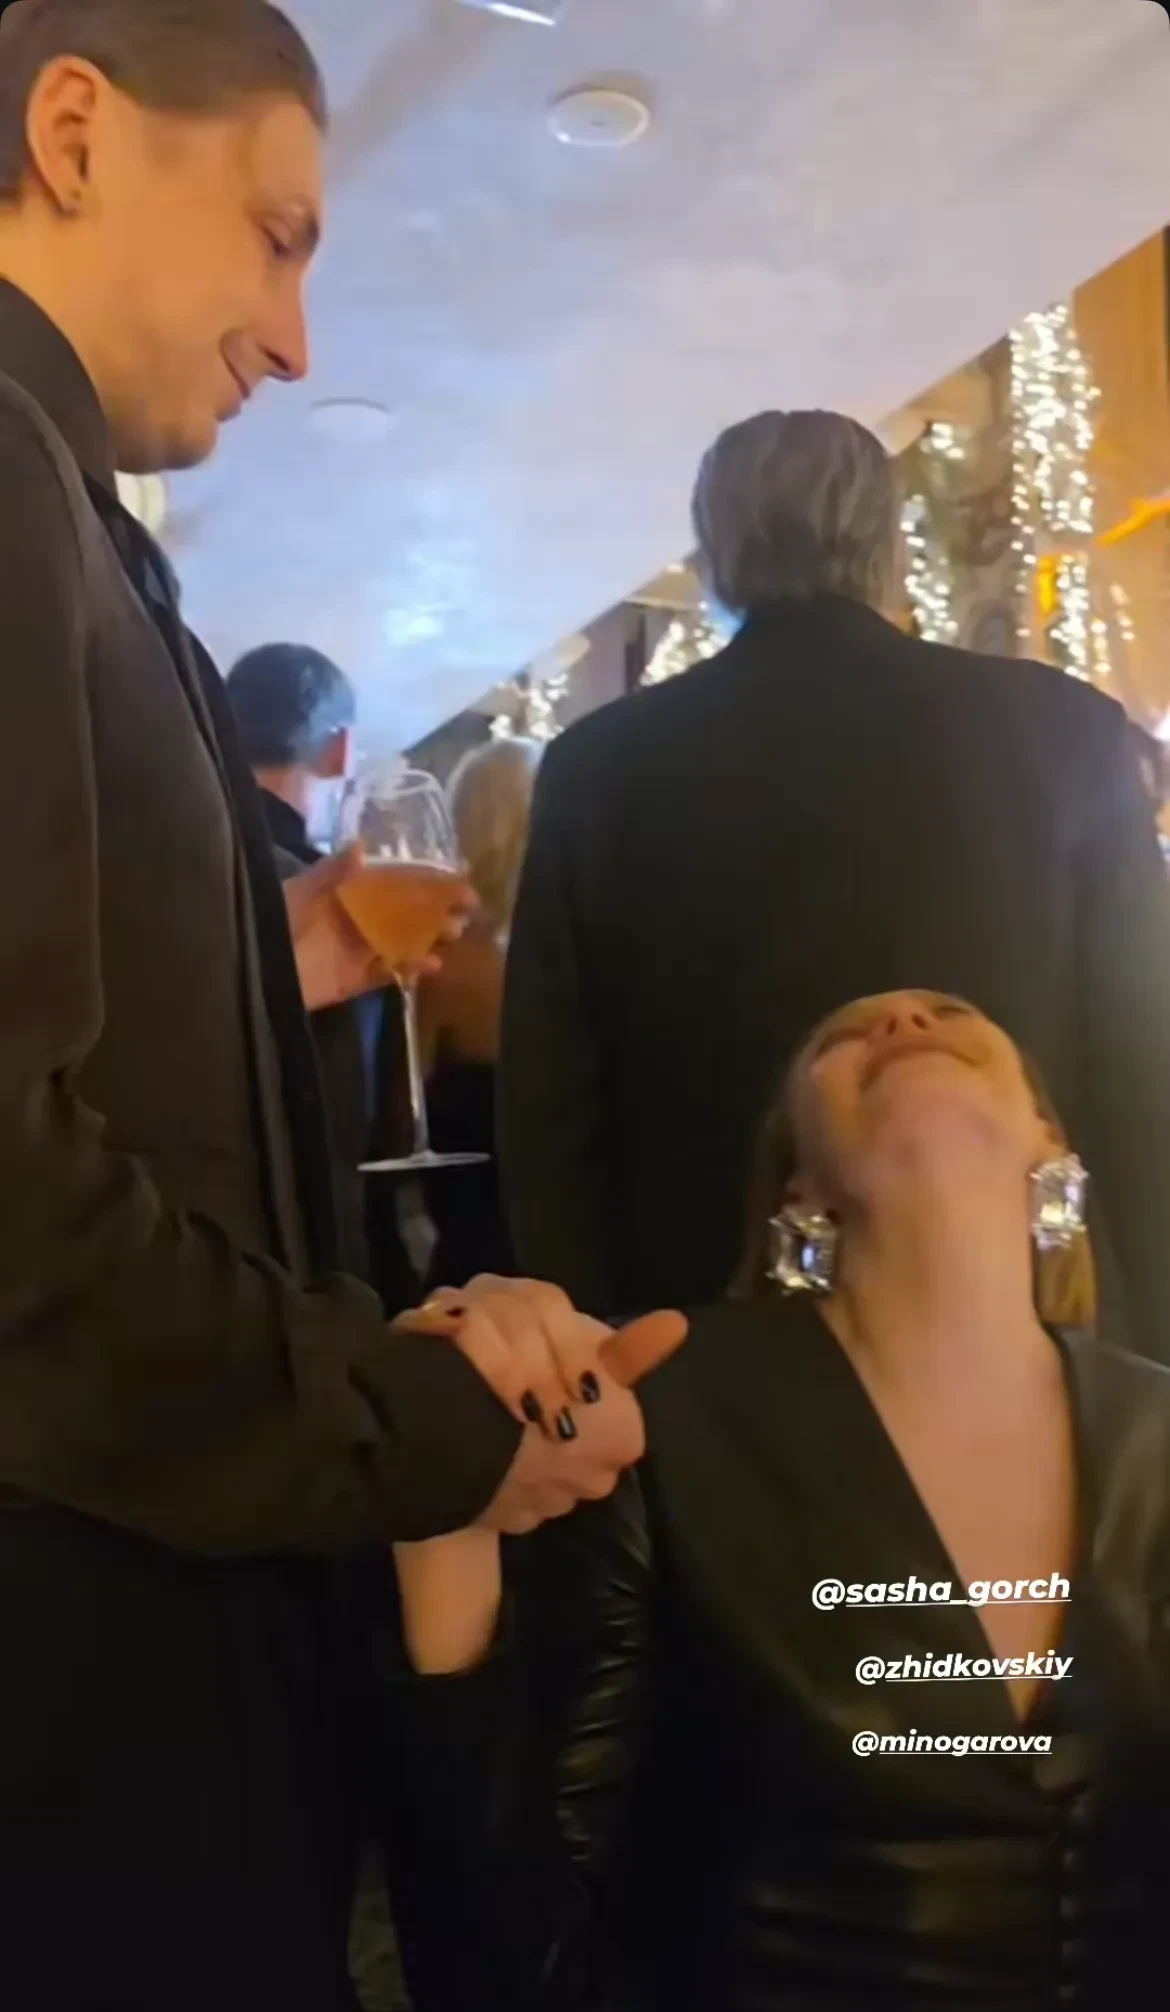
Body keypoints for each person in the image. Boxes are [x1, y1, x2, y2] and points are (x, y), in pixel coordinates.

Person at [0, 6, 680, 2005]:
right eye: (279, 235)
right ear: (72, 131)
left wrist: (267, 968)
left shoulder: (75, 518)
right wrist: (405, 1421)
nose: (298, 341)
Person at [379, 990, 1170, 2011]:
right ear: (800, 1189)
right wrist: (442, 1499)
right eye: (849, 1036)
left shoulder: (1156, 1435)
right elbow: (512, 1955)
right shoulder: (657, 1419)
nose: (905, 1023)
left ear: (1049, 1143)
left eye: (949, 1014)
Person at [501, 408, 1170, 1362]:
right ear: (890, 548)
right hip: (1031, 1321)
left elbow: (551, 1120)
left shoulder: (597, 766)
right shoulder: (1067, 731)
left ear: (714, 557)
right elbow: (1144, 1063)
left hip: (709, 1346)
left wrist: (600, 1356)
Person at [226, 641, 421, 1311]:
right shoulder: (335, 906)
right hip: (310, 1291)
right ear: (341, 751)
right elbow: (355, 1138)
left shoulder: (179, 876)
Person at [419, 735, 543, 1288]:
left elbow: (400, 1106)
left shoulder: (433, 953)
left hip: (459, 1251)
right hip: (557, 1254)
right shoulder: (566, 957)